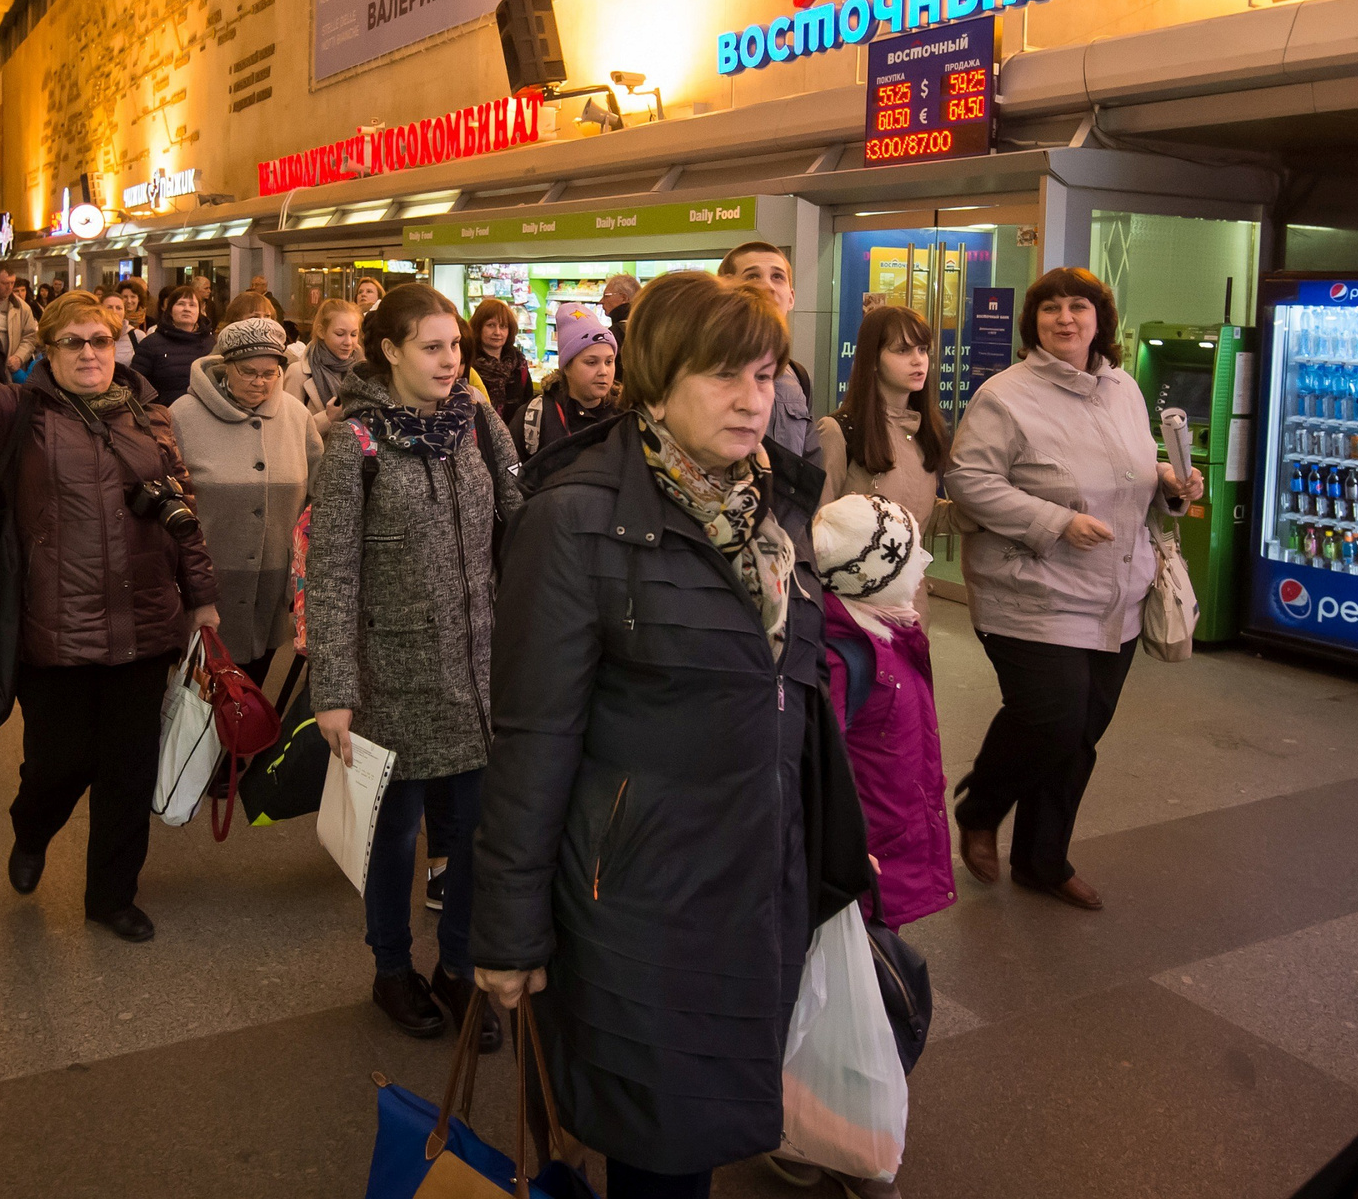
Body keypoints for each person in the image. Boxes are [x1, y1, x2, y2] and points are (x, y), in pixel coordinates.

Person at [472, 270, 845, 1195]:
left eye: (764, 376)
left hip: (759, 872)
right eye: (724, 377)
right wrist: (509, 931)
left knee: (711, 1121)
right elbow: (533, 738)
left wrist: (834, 845)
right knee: (660, 1151)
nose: (752, 402)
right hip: (639, 896)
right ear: (655, 376)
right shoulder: (577, 520)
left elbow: (790, 691)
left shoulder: (776, 509)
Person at [0, 245, 219, 940]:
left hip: (144, 626)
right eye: (72, 343)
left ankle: (111, 896)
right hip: (52, 630)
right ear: (47, 352)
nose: (88, 353)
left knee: (128, 773)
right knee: (59, 764)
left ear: (117, 343)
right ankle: (31, 826)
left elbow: (181, 509)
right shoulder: (21, 412)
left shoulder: (148, 415)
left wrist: (200, 595)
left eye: (99, 340)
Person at [304, 283, 524, 1047]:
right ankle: (390, 969)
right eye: (432, 347)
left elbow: (520, 516)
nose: (449, 360)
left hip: (476, 668)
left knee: (474, 835)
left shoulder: (476, 422)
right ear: (390, 350)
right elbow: (330, 574)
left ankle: (458, 971)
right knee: (394, 835)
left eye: (455, 346)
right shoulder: (353, 446)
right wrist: (333, 690)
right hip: (390, 675)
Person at [945, 266, 1199, 912]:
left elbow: (1136, 468)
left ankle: (1041, 859)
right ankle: (982, 807)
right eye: (1050, 308)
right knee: (1050, 719)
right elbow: (970, 480)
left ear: (1099, 319)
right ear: (1033, 322)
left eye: (1077, 307)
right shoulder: (1005, 395)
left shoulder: (1124, 390)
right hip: (1029, 592)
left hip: (1116, 594)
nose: (1064, 318)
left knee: (1080, 734)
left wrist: (1170, 483)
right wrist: (1054, 520)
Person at [812, 493, 954, 928]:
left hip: (895, 822)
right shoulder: (842, 660)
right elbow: (818, 768)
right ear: (878, 578)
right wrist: (842, 849)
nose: (924, 565)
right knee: (868, 959)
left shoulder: (889, 632)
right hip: (872, 847)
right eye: (912, 561)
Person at [170, 317, 322, 684]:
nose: (261, 382)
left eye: (271, 373)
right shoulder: (182, 416)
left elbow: (318, 494)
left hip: (273, 584)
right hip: (207, 584)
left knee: (253, 694)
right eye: (249, 372)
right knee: (201, 704)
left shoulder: (297, 416)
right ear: (225, 367)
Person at [817, 303, 950, 528]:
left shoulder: (923, 430)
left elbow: (916, 514)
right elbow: (817, 525)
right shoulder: (838, 431)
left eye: (922, 349)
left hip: (912, 562)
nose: (918, 360)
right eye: (902, 350)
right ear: (874, 359)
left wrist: (984, 513)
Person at [721, 241, 812, 458]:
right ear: (724, 288)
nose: (768, 287)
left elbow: (809, 462)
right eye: (753, 276)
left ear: (791, 298)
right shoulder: (703, 366)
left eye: (777, 277)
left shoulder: (797, 376)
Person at [510, 301, 616, 462]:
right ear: (566, 367)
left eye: (609, 362)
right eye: (591, 362)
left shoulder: (624, 414)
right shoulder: (536, 416)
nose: (604, 371)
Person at [131, 283, 213, 406]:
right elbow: (135, 385)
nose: (187, 309)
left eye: (192, 305)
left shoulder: (210, 343)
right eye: (181, 304)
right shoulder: (150, 344)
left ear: (199, 312)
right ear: (169, 310)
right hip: (164, 416)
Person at [285, 297, 359, 427]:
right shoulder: (298, 373)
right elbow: (289, 430)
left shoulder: (361, 372)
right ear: (321, 332)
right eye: (340, 334)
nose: (348, 342)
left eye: (353, 334)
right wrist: (328, 418)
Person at [463, 297, 532, 426]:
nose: (497, 332)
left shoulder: (519, 363)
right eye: (490, 325)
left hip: (514, 435)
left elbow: (528, 403)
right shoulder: (467, 363)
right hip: (478, 435)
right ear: (479, 327)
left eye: (503, 326)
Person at [99, 291, 136, 372]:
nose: (114, 312)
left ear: (124, 312)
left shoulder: (136, 336)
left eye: (119, 308)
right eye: (109, 307)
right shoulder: (92, 335)